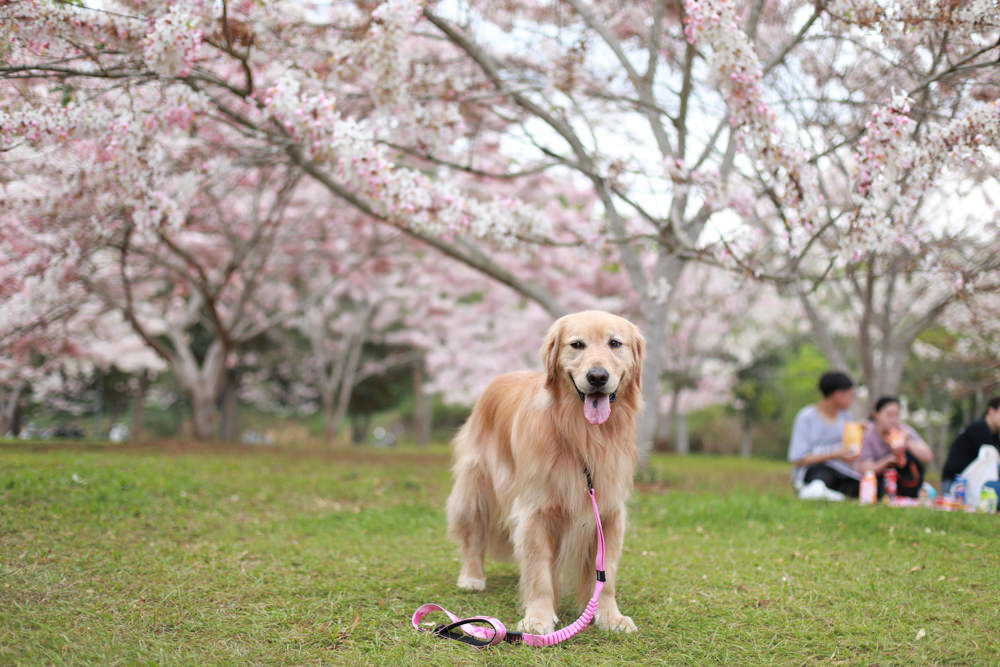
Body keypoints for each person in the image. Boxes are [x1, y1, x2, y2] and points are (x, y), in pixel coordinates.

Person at [788, 371, 861, 500]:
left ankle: (828, 494)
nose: (851, 399)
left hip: (840, 472)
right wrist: (835, 455)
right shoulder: (806, 417)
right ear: (838, 395)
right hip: (814, 471)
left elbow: (850, 451)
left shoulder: (846, 417)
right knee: (822, 476)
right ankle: (817, 491)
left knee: (862, 486)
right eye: (850, 395)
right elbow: (798, 459)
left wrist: (860, 433)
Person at [855, 396, 933, 498]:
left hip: (904, 483)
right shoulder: (869, 433)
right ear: (876, 415)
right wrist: (888, 460)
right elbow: (865, 469)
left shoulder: (903, 430)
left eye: (896, 415)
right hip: (877, 484)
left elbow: (928, 457)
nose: (893, 420)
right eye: (889, 415)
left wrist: (907, 442)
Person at [941, 397, 1000, 491]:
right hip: (955, 482)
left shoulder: (994, 435)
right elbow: (994, 459)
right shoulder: (980, 428)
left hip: (970, 483)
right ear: (991, 411)